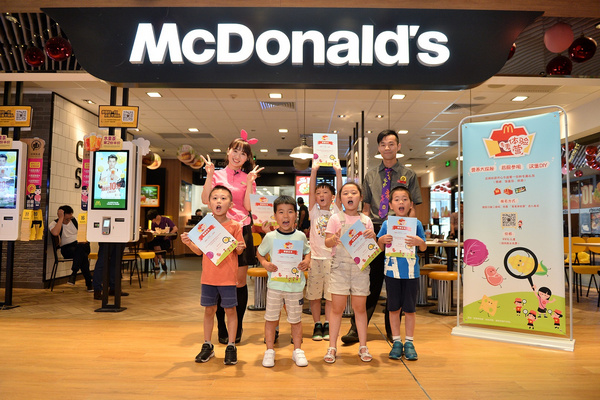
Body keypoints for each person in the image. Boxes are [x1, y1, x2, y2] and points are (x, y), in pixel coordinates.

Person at [342, 129, 422, 344]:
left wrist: (411, 232)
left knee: (396, 281)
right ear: (378, 148)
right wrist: (361, 234)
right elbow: (366, 208)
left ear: (398, 146)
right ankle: (357, 328)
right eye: (383, 144)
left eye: (391, 144)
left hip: (401, 232)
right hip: (375, 231)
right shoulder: (370, 175)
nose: (387, 148)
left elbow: (413, 208)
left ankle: (392, 331)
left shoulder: (409, 174)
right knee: (370, 281)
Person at [200, 131, 263, 344]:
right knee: (218, 280)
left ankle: (238, 325)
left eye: (243, 154)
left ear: (247, 158)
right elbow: (206, 200)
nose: (238, 156)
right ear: (228, 152)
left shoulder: (248, 178)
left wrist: (250, 182)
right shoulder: (216, 174)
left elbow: (248, 207)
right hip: (218, 230)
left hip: (241, 229)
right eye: (235, 151)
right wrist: (209, 175)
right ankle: (221, 325)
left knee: (238, 282)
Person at [181, 185, 246, 365]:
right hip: (208, 277)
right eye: (215, 198)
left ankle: (231, 346)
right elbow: (199, 252)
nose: (219, 201)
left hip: (228, 278)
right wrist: (188, 243)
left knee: (230, 310)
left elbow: (239, 251)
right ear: (209, 204)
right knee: (209, 310)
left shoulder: (235, 226)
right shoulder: (204, 226)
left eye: (223, 198)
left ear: (230, 204)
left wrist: (240, 247)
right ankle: (207, 344)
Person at [324, 182, 377, 363]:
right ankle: (332, 347)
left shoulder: (366, 220)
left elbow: (371, 246)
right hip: (339, 268)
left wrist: (373, 237)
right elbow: (327, 243)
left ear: (360, 197)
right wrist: (334, 238)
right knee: (336, 309)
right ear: (340, 199)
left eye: (353, 193)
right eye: (345, 193)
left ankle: (363, 346)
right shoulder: (335, 219)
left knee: (360, 309)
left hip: (360, 269)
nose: (350, 196)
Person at [256, 196, 311, 368]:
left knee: (295, 320)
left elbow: (307, 251)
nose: (285, 216)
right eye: (281, 212)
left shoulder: (300, 236)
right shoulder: (270, 237)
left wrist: (307, 261)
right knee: (271, 319)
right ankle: (269, 351)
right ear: (275, 216)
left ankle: (297, 350)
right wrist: (265, 263)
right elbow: (259, 253)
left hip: (295, 286)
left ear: (296, 215)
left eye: (290, 212)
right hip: (275, 286)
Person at [376, 186, 427, 361]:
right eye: (397, 199)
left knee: (410, 309)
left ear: (411, 204)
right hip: (392, 272)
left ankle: (410, 342)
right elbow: (379, 247)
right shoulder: (386, 224)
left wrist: (419, 241)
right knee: (393, 308)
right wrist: (381, 240)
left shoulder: (416, 224)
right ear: (391, 205)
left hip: (411, 273)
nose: (401, 202)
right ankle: (397, 341)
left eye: (405, 199)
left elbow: (423, 247)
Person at [307, 160, 342, 341]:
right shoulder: (313, 211)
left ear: (333, 196)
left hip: (331, 258)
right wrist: (314, 171)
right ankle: (317, 324)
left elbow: (340, 192)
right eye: (318, 193)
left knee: (329, 295)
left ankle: (327, 323)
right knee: (314, 295)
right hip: (315, 258)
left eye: (325, 192)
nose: (321, 195)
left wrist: (338, 172)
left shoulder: (336, 211)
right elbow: (311, 191)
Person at [49, 205, 93, 291]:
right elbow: (55, 233)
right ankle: (88, 282)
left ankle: (74, 273)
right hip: (67, 249)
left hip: (81, 245)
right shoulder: (54, 224)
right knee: (83, 256)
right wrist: (61, 219)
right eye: (66, 219)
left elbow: (85, 233)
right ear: (60, 215)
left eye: (70, 218)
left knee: (81, 248)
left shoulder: (75, 221)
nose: (68, 220)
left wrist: (84, 240)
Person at [147, 209, 178, 274]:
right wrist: (151, 231)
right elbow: (154, 233)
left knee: (155, 245)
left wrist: (168, 234)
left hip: (165, 240)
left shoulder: (166, 220)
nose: (152, 221)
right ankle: (161, 261)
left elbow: (175, 229)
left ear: (156, 217)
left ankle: (157, 265)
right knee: (151, 244)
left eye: (152, 219)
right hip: (157, 240)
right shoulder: (153, 223)